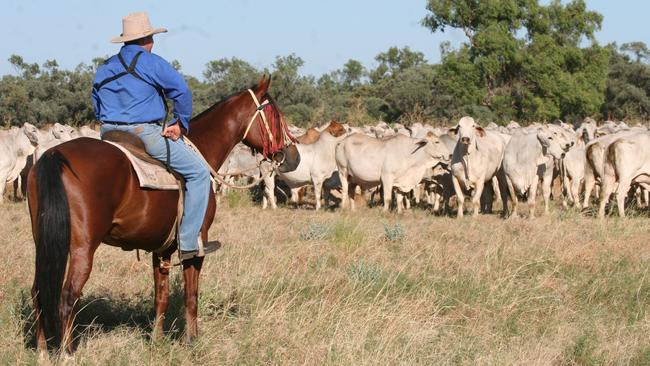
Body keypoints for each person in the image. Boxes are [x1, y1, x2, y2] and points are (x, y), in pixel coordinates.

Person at [92, 12, 217, 261]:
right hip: (143, 134)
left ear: (125, 41)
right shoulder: (152, 62)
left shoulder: (105, 67)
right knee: (199, 173)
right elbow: (181, 92)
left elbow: (96, 104)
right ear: (148, 39)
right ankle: (189, 241)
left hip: (108, 135)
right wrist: (180, 123)